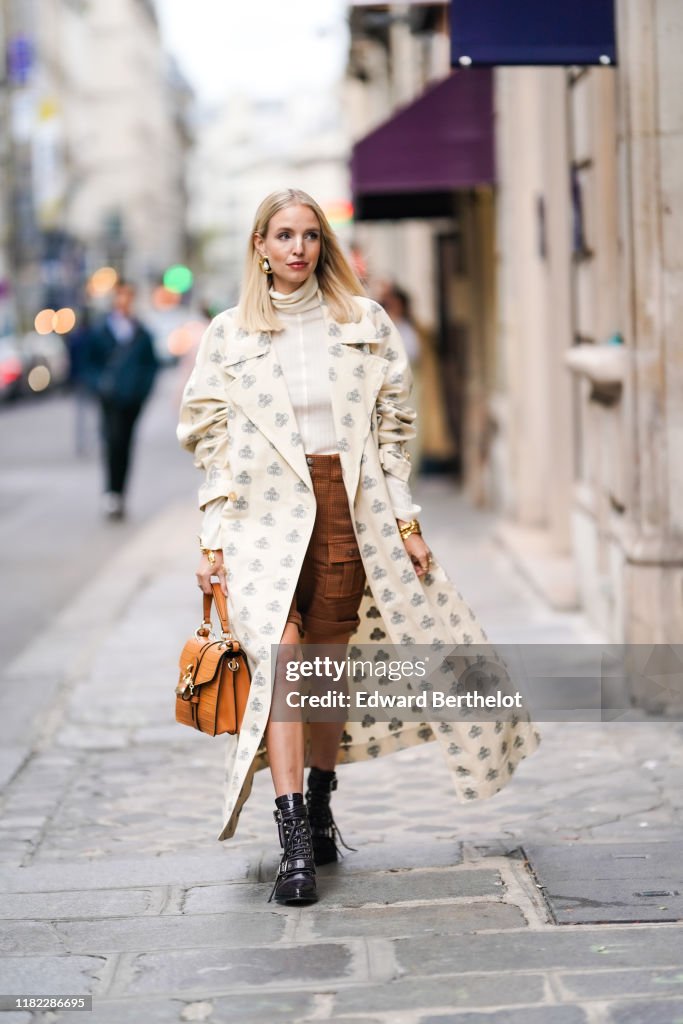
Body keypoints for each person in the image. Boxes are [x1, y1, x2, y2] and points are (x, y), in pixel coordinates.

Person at [177, 188, 541, 906]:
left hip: (347, 511)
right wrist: (214, 537)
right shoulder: (229, 333)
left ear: (323, 246)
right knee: (283, 669)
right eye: (282, 235)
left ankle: (318, 804)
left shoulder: (362, 322)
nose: (296, 248)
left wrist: (403, 522)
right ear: (259, 245)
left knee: (320, 672)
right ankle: (293, 848)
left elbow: (395, 428)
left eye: (309, 235)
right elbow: (209, 439)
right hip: (261, 518)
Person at [84, 281, 159, 520]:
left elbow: (150, 366)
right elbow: (88, 363)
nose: (124, 301)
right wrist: (99, 385)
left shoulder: (141, 332)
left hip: (132, 399)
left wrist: (142, 391)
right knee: (112, 442)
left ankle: (119, 494)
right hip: (110, 399)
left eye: (128, 296)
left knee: (125, 444)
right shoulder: (101, 330)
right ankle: (111, 493)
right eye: (121, 296)